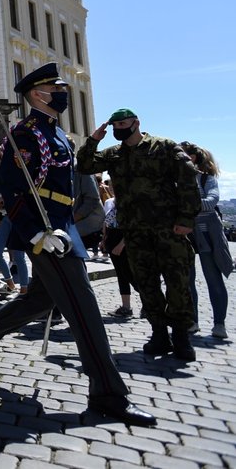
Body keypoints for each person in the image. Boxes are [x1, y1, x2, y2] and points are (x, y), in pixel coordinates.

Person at [0, 62, 156, 426]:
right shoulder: (25, 133)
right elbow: (13, 188)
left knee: (42, 299)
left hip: (64, 229)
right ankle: (108, 394)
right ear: (38, 93)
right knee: (84, 310)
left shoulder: (58, 134)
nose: (64, 91)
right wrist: (36, 233)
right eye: (57, 87)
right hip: (46, 234)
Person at [77, 108, 201, 361]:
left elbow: (188, 177)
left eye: (123, 123)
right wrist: (94, 140)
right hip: (134, 230)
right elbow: (85, 165)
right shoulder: (114, 154)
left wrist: (186, 218)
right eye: (115, 125)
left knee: (177, 284)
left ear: (136, 123)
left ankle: (181, 337)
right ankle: (159, 334)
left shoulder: (163, 146)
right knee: (147, 284)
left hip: (168, 228)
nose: (119, 128)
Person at [181, 143, 229, 339]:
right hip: (185, 235)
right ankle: (192, 321)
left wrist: (184, 205)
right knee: (187, 282)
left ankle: (219, 323)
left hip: (207, 235)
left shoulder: (206, 179)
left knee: (213, 279)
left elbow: (211, 201)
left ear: (192, 157)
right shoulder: (176, 180)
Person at [102, 183, 134, 318]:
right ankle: (126, 306)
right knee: (121, 274)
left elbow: (131, 226)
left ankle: (149, 302)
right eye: (111, 187)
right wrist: (103, 239)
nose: (111, 189)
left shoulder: (128, 202)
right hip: (111, 237)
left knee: (129, 273)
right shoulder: (109, 201)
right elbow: (105, 222)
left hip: (123, 239)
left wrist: (122, 244)